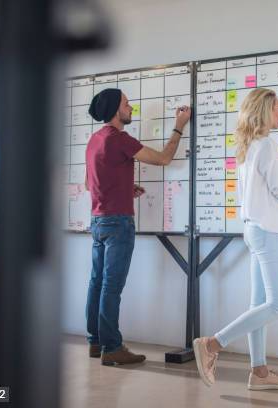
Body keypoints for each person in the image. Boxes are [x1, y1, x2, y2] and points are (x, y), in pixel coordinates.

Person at [192, 88, 278, 389]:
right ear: (265, 112)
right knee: (277, 305)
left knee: (259, 305)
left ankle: (260, 373)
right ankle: (212, 345)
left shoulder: (250, 146)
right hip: (269, 231)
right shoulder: (268, 145)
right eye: (277, 108)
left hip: (255, 230)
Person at [84, 88, 191, 366]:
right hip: (118, 222)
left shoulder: (95, 140)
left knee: (97, 283)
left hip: (98, 220)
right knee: (111, 286)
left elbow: (90, 184)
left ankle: (96, 343)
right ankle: (113, 348)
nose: (131, 108)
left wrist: (123, 189)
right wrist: (179, 127)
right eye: (126, 104)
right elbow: (164, 158)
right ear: (114, 110)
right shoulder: (120, 139)